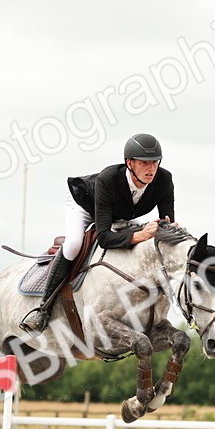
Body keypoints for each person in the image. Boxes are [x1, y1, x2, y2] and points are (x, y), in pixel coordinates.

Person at [20, 133, 176, 333]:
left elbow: (167, 224)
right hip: (85, 205)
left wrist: (168, 232)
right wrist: (140, 235)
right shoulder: (108, 179)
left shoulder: (164, 179)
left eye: (155, 162)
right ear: (129, 163)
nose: (151, 169)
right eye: (145, 163)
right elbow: (103, 237)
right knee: (75, 243)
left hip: (121, 212)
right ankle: (42, 309)